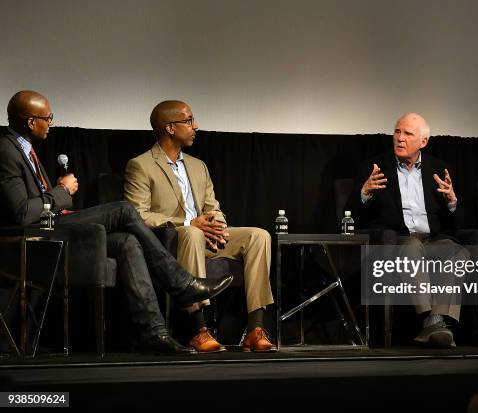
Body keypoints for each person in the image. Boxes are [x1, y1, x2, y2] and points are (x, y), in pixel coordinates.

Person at [0, 90, 233, 355]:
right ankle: (180, 283)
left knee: (126, 241)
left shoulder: (24, 149)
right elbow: (22, 213)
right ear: (31, 122)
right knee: (123, 210)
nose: (51, 123)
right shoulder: (7, 150)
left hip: (52, 226)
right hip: (33, 236)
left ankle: (153, 332)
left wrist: (57, 199)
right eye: (47, 117)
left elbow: (37, 204)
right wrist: (60, 192)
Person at [124, 100, 276, 353]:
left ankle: (254, 329)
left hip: (204, 237)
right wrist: (188, 223)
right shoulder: (141, 165)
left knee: (258, 236)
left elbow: (212, 206)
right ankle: (198, 329)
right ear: (170, 128)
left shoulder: (198, 166)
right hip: (170, 243)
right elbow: (139, 216)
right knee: (192, 233)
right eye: (189, 121)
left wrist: (216, 225)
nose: (196, 126)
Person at [345, 112, 468, 348]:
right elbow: (349, 217)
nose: (400, 138)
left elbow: (458, 223)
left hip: (432, 241)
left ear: (423, 142)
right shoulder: (376, 168)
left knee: (459, 253)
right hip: (397, 242)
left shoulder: (438, 169)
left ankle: (437, 321)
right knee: (411, 246)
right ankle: (429, 319)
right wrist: (365, 192)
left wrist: (452, 200)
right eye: (397, 131)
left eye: (408, 134)